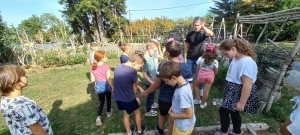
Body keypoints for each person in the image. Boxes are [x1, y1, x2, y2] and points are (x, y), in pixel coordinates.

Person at [143, 40, 193, 135]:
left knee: (162, 114)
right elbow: (190, 86)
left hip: (165, 98)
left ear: (168, 53)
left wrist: (146, 92)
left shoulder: (163, 65)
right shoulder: (186, 67)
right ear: (179, 52)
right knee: (173, 117)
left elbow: (156, 84)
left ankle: (160, 129)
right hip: (180, 101)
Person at [215, 39, 258, 135]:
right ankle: (236, 132)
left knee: (223, 111)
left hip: (237, 91)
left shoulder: (246, 62)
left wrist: (242, 103)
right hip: (232, 90)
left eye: (226, 53)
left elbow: (248, 84)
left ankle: (224, 133)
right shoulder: (236, 58)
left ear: (233, 49)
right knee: (234, 113)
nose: (225, 56)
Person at [0, 65, 53, 135]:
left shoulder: (5, 100)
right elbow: (37, 131)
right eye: (24, 75)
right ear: (13, 80)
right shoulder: (23, 105)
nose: (27, 77)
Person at [113, 54, 147, 135]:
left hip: (118, 97)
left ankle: (129, 132)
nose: (140, 68)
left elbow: (126, 82)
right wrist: (135, 97)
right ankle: (139, 131)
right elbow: (134, 86)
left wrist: (139, 87)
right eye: (140, 66)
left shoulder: (118, 67)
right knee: (137, 112)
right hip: (128, 98)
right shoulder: (132, 71)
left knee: (126, 114)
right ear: (135, 63)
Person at [159, 61, 196, 135]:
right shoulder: (182, 84)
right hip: (179, 122)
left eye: (166, 81)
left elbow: (189, 114)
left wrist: (174, 116)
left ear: (173, 77)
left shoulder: (183, 92)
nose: (166, 83)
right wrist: (173, 107)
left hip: (183, 127)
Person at [185, 17, 214, 97]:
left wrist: (203, 27)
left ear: (201, 25)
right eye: (194, 25)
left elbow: (211, 34)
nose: (196, 27)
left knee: (199, 75)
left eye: (198, 25)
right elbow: (186, 44)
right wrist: (187, 53)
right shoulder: (190, 34)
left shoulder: (203, 33)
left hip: (200, 58)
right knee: (189, 74)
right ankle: (188, 88)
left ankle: (200, 88)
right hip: (190, 58)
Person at [90, 50, 114, 126]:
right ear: (101, 58)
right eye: (105, 56)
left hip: (99, 87)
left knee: (101, 101)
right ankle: (108, 112)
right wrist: (113, 87)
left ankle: (98, 116)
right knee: (108, 99)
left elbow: (92, 80)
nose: (106, 57)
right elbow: (109, 79)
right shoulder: (106, 67)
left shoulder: (92, 68)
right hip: (106, 85)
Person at [194, 43, 219, 108]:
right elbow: (216, 72)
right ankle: (202, 104)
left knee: (196, 86)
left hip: (201, 75)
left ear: (205, 50)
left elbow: (198, 68)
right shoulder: (215, 61)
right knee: (206, 91)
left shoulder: (200, 58)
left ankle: (198, 99)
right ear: (214, 51)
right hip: (210, 76)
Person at [143, 41, 163, 116]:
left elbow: (161, 56)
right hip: (150, 83)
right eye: (154, 50)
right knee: (149, 96)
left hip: (153, 82)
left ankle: (152, 104)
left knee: (152, 95)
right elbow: (144, 75)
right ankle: (148, 111)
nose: (155, 52)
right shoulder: (146, 60)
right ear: (149, 48)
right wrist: (152, 83)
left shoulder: (151, 56)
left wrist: (159, 47)